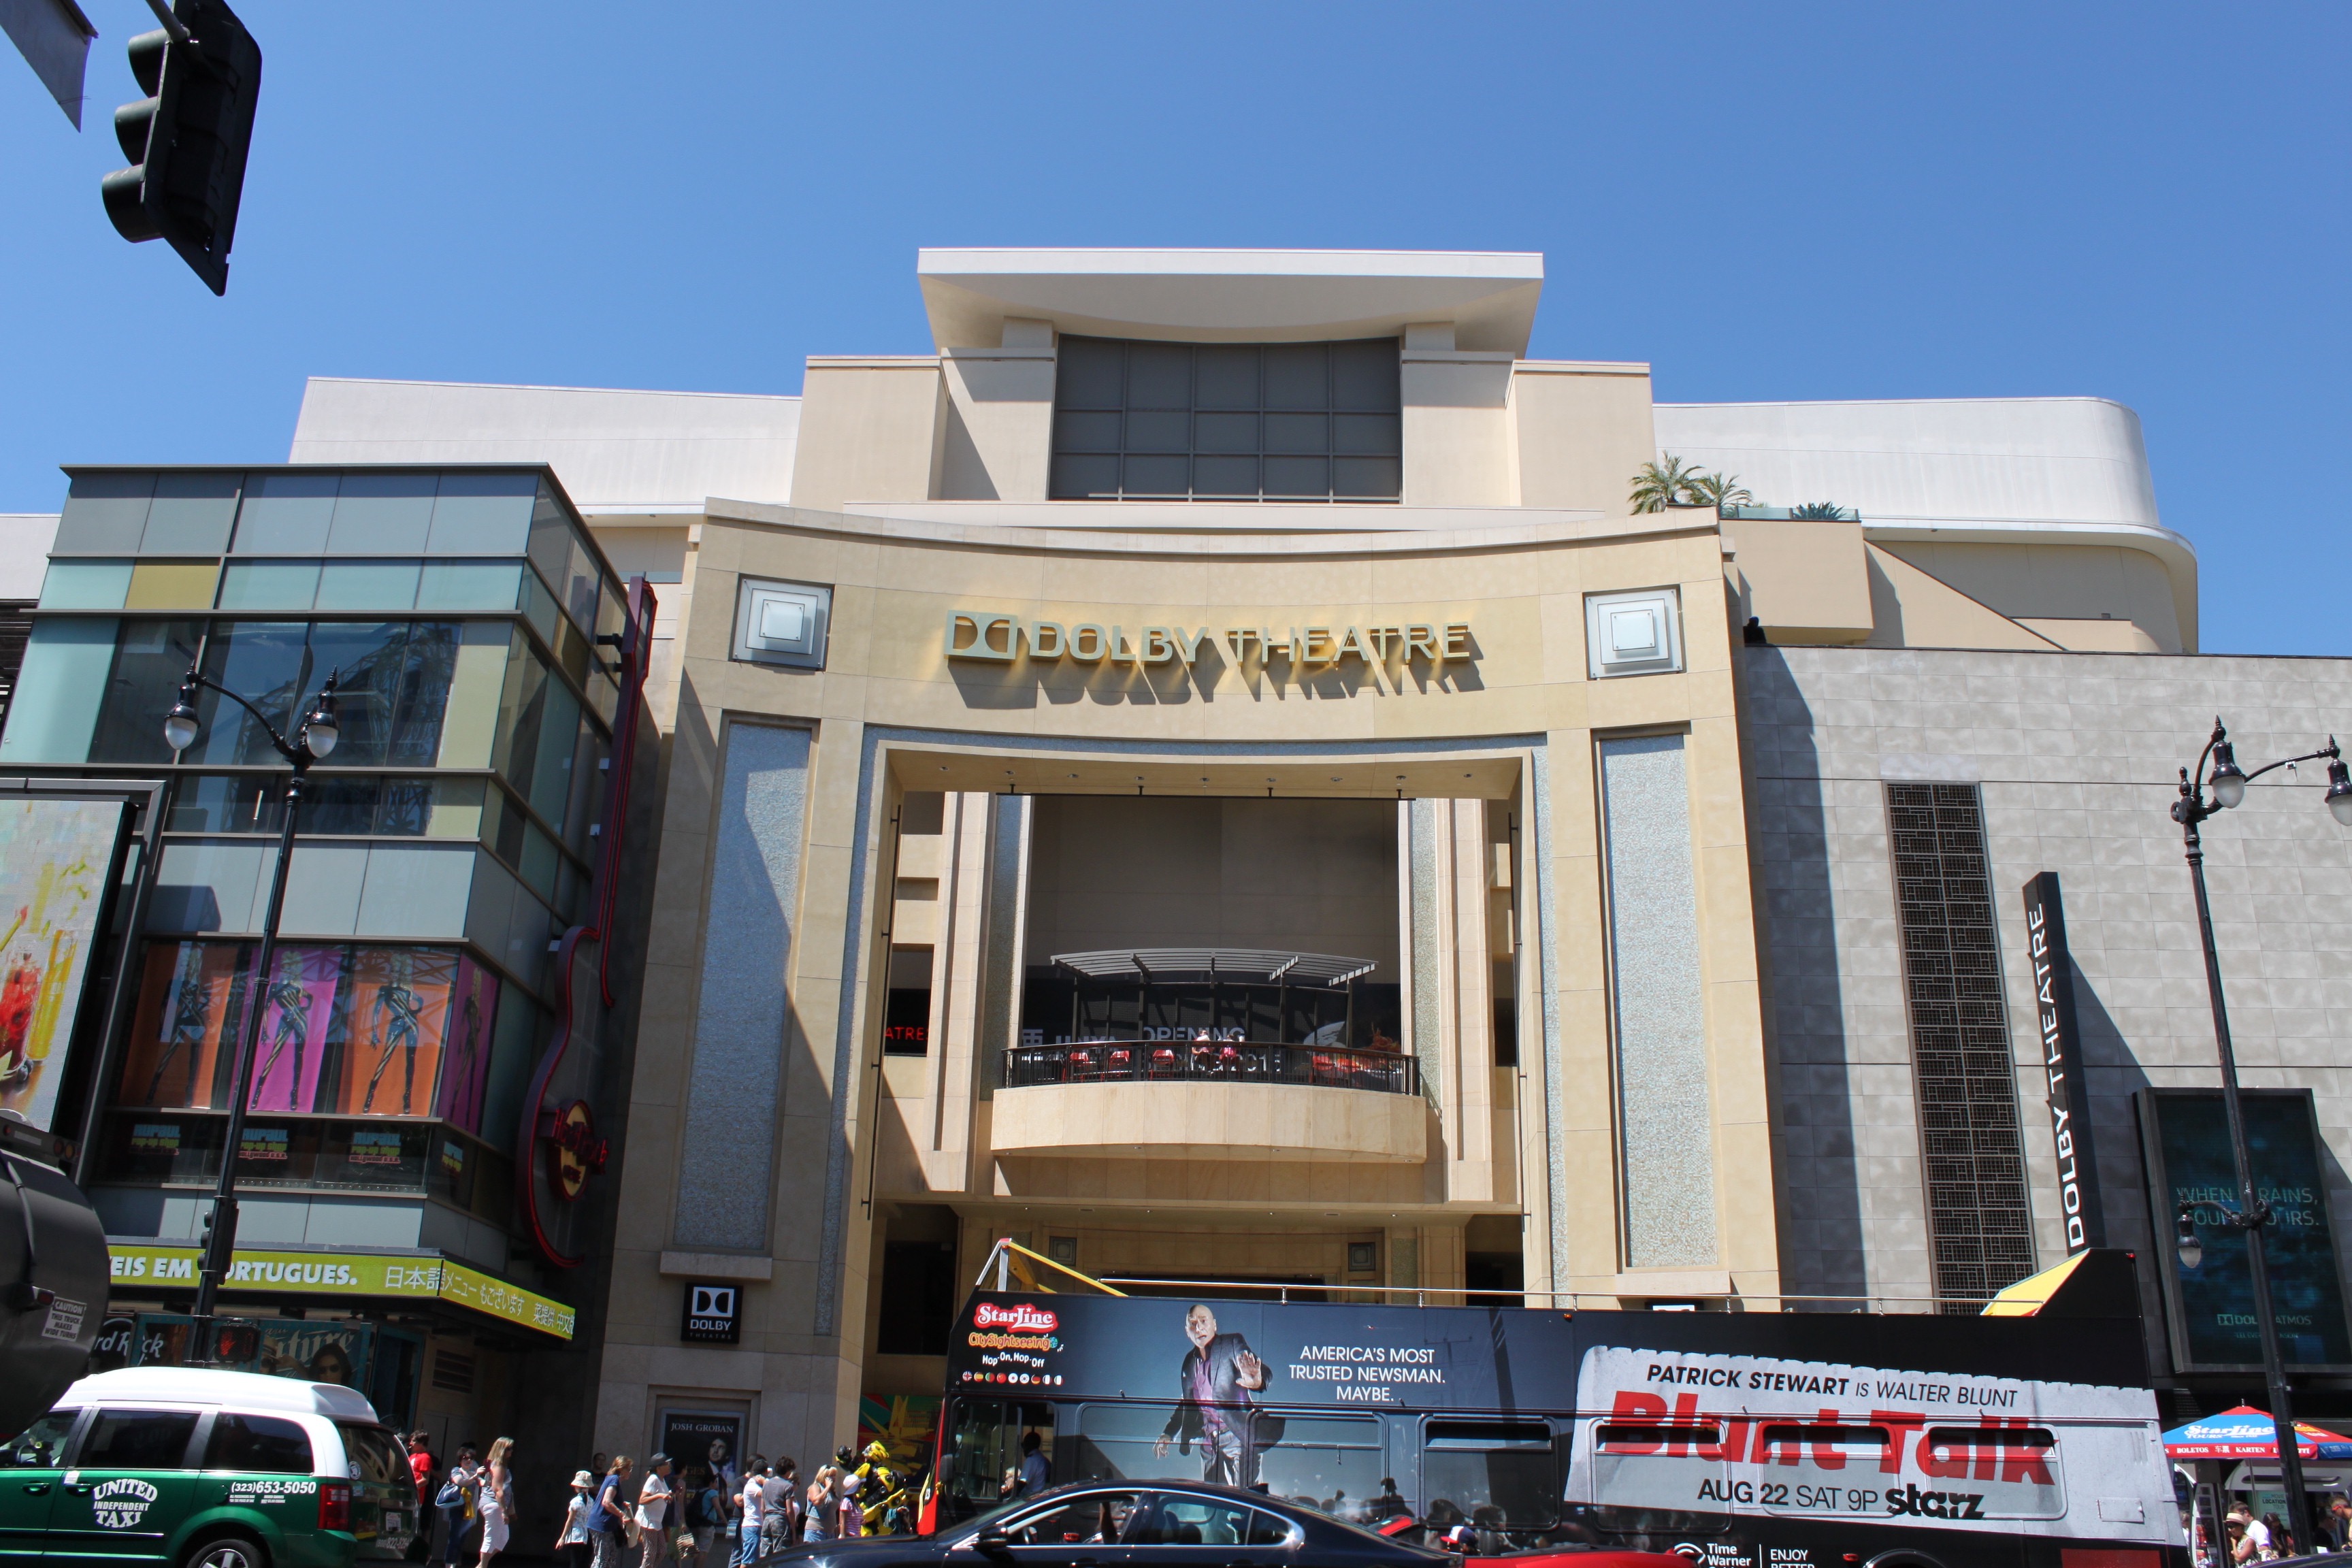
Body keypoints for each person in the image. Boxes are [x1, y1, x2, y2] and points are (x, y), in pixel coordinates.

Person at [1152, 1303, 1275, 1487]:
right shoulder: (1189, 1362)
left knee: (1251, 1499)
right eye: (1192, 1324)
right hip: (1210, 1442)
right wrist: (1168, 1434)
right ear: (1187, 1331)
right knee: (1213, 1507)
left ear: (1214, 1325)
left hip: (1238, 1435)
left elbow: (1264, 1372)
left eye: (1203, 1321)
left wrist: (1256, 1381)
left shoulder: (1231, 1344)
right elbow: (1187, 1404)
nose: (1198, 1327)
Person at [438, 1447, 482, 1568]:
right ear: (460, 1460)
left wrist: (489, 1475)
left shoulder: (474, 1473)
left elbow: (483, 1483)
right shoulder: (457, 1471)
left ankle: (454, 1563)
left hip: (468, 1510)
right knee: (454, 1539)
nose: (469, 1461)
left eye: (471, 1458)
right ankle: (449, 1564)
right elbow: (461, 1482)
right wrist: (475, 1477)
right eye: (466, 1458)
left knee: (462, 1539)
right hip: (458, 1509)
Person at [476, 1437, 514, 1568]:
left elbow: (486, 1483)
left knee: (503, 1538)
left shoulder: (493, 1464)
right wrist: (504, 1511)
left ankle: (481, 1566)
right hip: (494, 1504)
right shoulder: (498, 1465)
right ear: (502, 1450)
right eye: (509, 1448)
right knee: (490, 1538)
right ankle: (483, 1566)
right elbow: (498, 1489)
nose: (511, 1451)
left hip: (492, 1503)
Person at [589, 1458, 635, 1568]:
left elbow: (607, 1499)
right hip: (602, 1524)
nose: (631, 1471)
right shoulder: (614, 1480)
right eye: (629, 1469)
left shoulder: (611, 1479)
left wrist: (621, 1503)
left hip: (606, 1524)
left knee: (611, 1555)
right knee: (602, 1558)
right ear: (621, 1469)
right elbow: (606, 1502)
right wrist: (622, 1514)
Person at [636, 1454, 677, 1568]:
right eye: (667, 1464)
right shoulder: (653, 1479)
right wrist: (660, 1496)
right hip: (649, 1521)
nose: (670, 1466)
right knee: (651, 1552)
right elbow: (642, 1500)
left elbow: (661, 1495)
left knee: (662, 1551)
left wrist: (669, 1495)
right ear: (659, 1467)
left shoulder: (662, 1480)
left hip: (657, 1522)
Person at [557, 1470, 598, 1568]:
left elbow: (570, 1520)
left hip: (576, 1535)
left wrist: (562, 1537)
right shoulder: (591, 1501)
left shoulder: (576, 1501)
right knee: (585, 1563)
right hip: (588, 1534)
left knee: (575, 1563)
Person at [407, 1433, 438, 1562]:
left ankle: (421, 1556)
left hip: (417, 1498)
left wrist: (412, 1487)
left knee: (415, 1527)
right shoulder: (412, 1456)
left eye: (413, 1441)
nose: (411, 1443)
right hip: (408, 1496)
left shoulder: (425, 1458)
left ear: (421, 1443)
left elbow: (425, 1479)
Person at [735, 1461, 768, 1567]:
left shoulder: (757, 1485)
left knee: (754, 1560)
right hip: (752, 1526)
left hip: (757, 1525)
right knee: (748, 1560)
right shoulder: (752, 1485)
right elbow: (768, 1492)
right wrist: (766, 1482)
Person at [764, 1459, 800, 1550]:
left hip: (767, 1519)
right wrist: (793, 1529)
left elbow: (762, 1507)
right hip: (780, 1520)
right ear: (788, 1471)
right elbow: (789, 1510)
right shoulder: (788, 1486)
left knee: (765, 1553)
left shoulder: (766, 1484)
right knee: (779, 1553)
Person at [802, 1468, 838, 1543]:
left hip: (830, 1533)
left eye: (834, 1476)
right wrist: (828, 1487)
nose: (834, 1478)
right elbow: (817, 1501)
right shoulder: (815, 1487)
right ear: (824, 1477)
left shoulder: (832, 1492)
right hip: (816, 1532)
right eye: (831, 1476)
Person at [1017, 1431, 1049, 1499]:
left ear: (1028, 1445)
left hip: (1029, 1499)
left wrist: (1005, 1495)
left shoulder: (1031, 1460)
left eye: (1023, 1445)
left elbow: (1021, 1484)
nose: (1023, 1449)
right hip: (1039, 1497)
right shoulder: (1043, 1459)